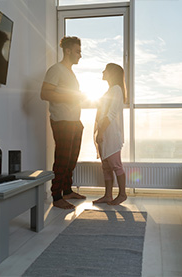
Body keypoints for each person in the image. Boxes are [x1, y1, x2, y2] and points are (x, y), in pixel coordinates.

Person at [40, 36, 86, 209]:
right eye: (77, 51)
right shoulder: (56, 70)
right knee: (62, 159)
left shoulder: (69, 72)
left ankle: (67, 190)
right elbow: (44, 94)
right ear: (67, 51)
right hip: (62, 121)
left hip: (74, 122)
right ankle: (57, 196)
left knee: (71, 159)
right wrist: (72, 96)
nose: (80, 55)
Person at [93, 63, 127, 205]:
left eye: (105, 70)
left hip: (110, 134)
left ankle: (122, 194)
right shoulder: (111, 90)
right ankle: (108, 195)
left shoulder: (116, 90)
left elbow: (111, 114)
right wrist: (99, 132)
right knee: (106, 166)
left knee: (115, 165)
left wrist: (101, 132)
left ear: (111, 73)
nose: (103, 71)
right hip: (105, 133)